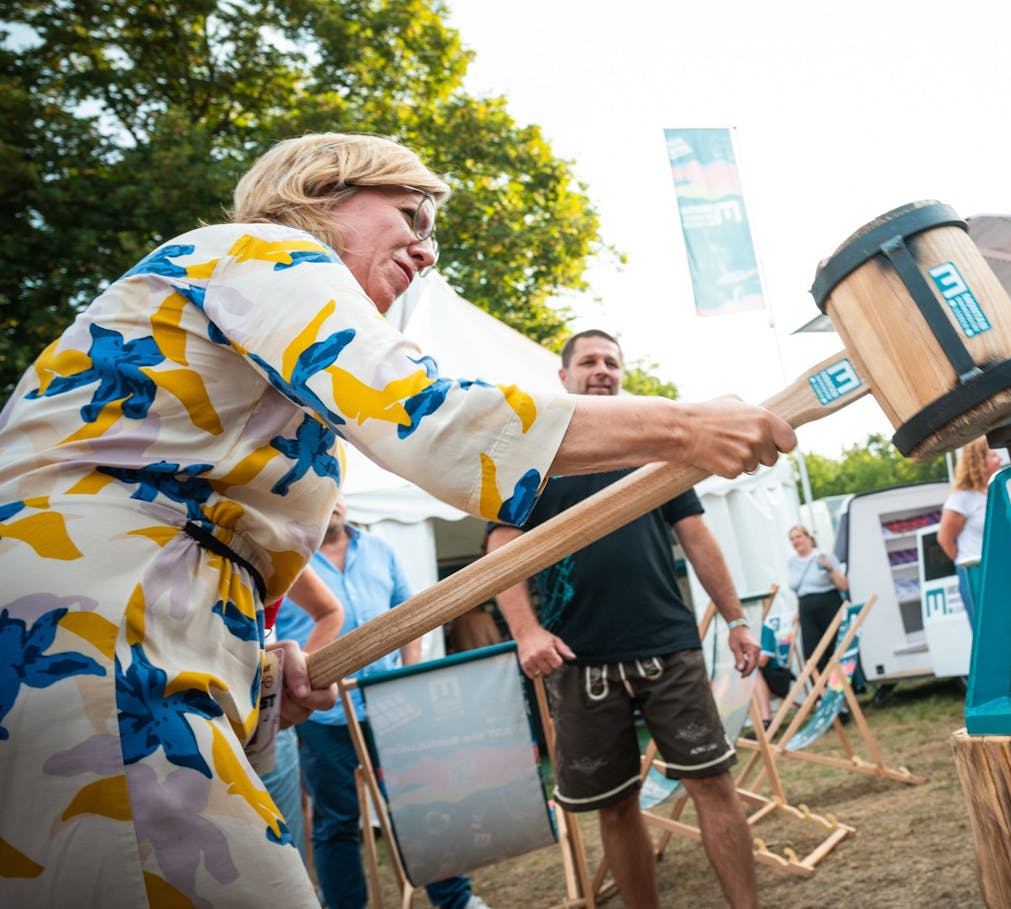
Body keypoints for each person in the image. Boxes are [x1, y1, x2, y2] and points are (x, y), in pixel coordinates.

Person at [0, 133, 793, 908]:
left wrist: (248, 661)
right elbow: (432, 421)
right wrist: (686, 426)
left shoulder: (262, 334)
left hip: (100, 631)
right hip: (84, 634)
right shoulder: (267, 255)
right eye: (412, 216)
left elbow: (201, 519)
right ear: (322, 193)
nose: (428, 250)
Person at [485, 329, 764, 909]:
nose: (602, 370)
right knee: (616, 803)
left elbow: (696, 536)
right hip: (578, 655)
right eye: (589, 361)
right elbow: (501, 547)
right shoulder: (532, 452)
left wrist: (736, 619)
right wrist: (527, 632)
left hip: (667, 643)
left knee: (712, 780)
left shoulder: (656, 446)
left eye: (612, 362)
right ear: (563, 378)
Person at [278, 497, 489, 908]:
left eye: (335, 496)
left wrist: (405, 677)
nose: (331, 505)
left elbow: (410, 617)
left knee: (423, 800)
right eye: (323, 499)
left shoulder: (380, 549)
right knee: (336, 821)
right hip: (324, 715)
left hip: (391, 703)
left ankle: (455, 900)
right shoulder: (286, 564)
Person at [260, 567, 346, 870]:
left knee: (283, 863)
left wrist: (297, 682)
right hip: (149, 728)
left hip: (262, 726)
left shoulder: (262, 531)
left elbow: (329, 610)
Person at [937, 437, 1002, 625]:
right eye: (993, 455)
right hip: (976, 571)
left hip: (1000, 567)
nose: (999, 459)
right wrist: (966, 561)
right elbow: (945, 539)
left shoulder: (995, 491)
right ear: (978, 461)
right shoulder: (962, 498)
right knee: (986, 626)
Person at [786, 524, 849, 677]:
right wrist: (798, 610)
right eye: (792, 539)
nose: (796, 541)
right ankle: (822, 691)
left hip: (828, 604)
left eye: (799, 537)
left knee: (835, 646)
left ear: (808, 538)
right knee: (813, 650)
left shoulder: (823, 555)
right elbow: (799, 589)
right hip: (806, 608)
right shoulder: (792, 561)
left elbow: (844, 585)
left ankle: (844, 686)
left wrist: (829, 569)